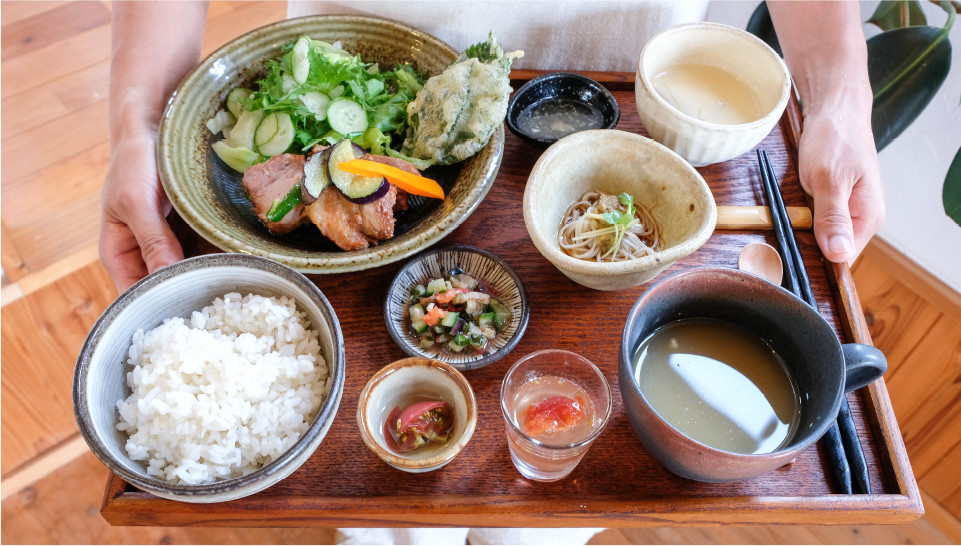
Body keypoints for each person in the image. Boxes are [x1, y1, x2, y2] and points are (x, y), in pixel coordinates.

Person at [99, 2, 883, 544]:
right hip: (366, 46)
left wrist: (843, 100)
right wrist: (138, 120)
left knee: (543, 517)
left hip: (635, 75)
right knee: (385, 520)